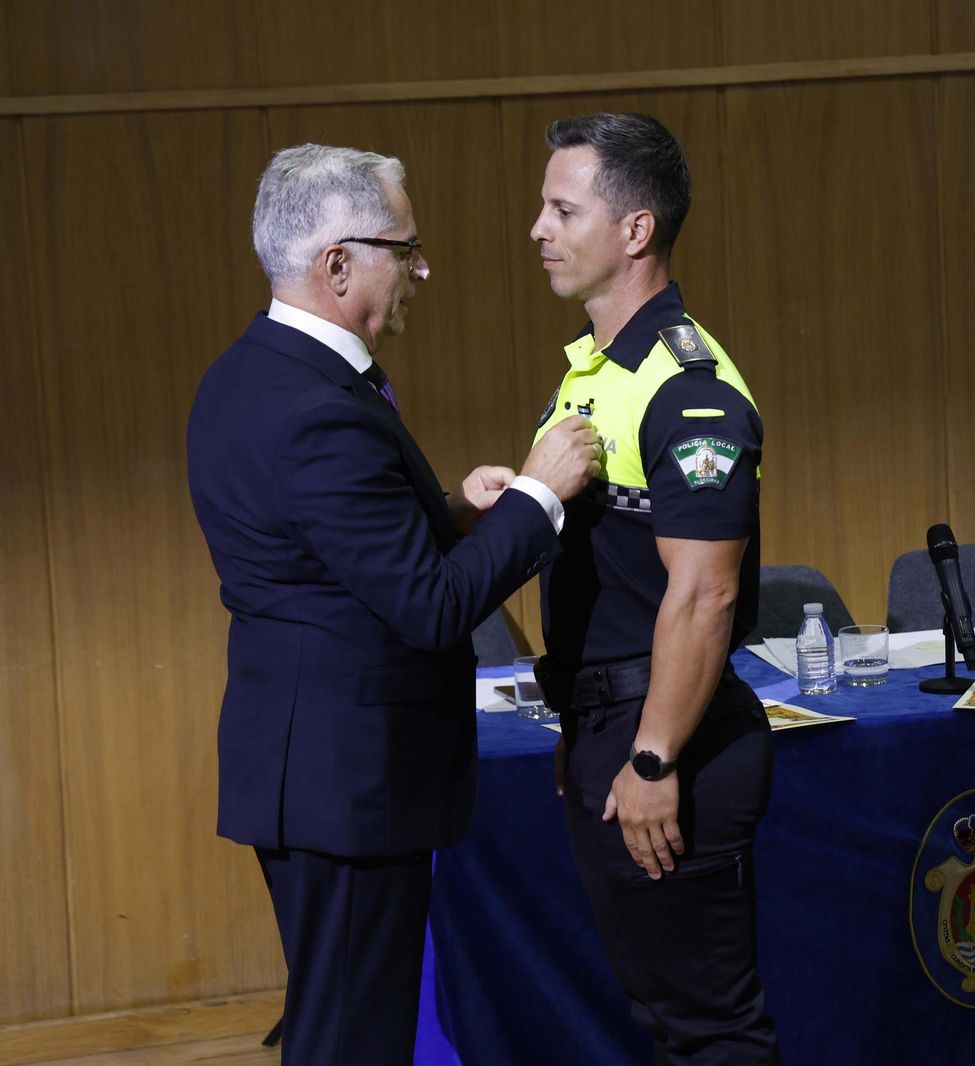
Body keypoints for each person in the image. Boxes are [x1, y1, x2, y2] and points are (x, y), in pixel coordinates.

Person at [186, 144, 598, 1065]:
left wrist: (450, 514)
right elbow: (429, 608)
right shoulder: (316, 407)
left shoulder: (250, 374)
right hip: (346, 779)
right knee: (351, 1041)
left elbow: (328, 557)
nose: (420, 268)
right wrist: (540, 495)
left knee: (346, 1024)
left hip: (311, 766)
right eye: (402, 247)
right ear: (337, 263)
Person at [526, 112, 779, 1064]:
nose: (539, 230)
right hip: (607, 729)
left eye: (562, 209)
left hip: (668, 744)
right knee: (661, 1016)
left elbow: (705, 596)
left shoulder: (690, 387)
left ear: (636, 231)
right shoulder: (589, 373)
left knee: (707, 1026)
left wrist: (652, 761)